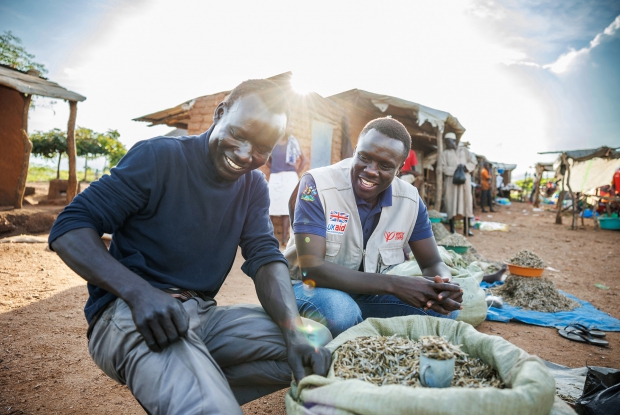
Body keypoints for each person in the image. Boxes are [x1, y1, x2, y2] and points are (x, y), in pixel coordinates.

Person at [48, 79, 332, 414]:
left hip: (202, 316)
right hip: (131, 312)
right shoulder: (159, 157)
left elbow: (265, 256)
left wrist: (292, 328)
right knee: (208, 405)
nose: (245, 155)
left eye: (261, 149)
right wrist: (139, 293)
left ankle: (189, 389)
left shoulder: (253, 186)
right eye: (239, 134)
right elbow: (69, 227)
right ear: (220, 113)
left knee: (314, 345)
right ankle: (196, 395)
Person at [284, 117, 463, 337]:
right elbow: (311, 268)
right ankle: (357, 330)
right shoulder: (316, 185)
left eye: (385, 166)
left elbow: (432, 262)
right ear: (356, 150)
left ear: (399, 169)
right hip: (308, 289)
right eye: (364, 158)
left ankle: (359, 328)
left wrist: (443, 287)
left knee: (442, 312)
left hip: (368, 294)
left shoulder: (410, 200)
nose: (370, 170)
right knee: (341, 313)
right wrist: (394, 285)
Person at [267, 129, 307, 245]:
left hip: (290, 178)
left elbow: (304, 160)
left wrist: (296, 173)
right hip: (275, 177)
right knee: (270, 206)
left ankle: (284, 239)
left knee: (286, 208)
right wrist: (274, 168)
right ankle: (270, 238)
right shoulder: (272, 143)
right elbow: (266, 159)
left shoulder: (293, 142)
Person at [438, 133, 477, 236]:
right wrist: (456, 170)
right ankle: (452, 229)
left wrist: (465, 168)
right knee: (451, 202)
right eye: (446, 142)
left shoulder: (464, 151)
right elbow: (442, 168)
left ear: (453, 141)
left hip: (465, 181)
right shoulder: (444, 153)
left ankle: (467, 229)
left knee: (466, 203)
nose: (447, 143)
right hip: (451, 181)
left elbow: (473, 163)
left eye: (448, 141)